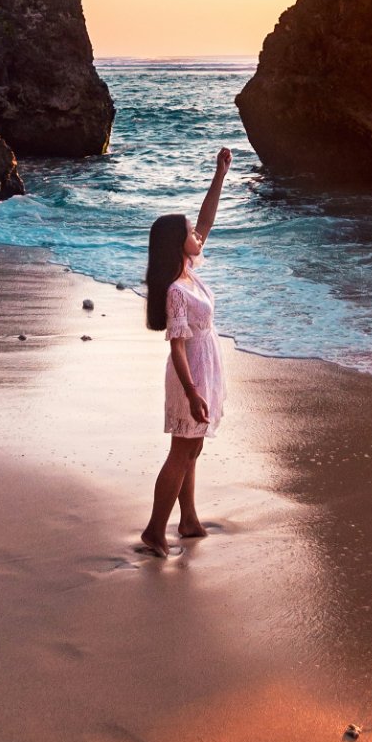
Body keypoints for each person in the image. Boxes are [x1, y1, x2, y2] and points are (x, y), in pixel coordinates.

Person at [139, 146, 232, 557]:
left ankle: (189, 520)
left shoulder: (188, 273)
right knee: (182, 450)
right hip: (188, 373)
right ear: (180, 244)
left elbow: (207, 218)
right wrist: (192, 391)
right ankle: (154, 531)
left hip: (205, 365)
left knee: (194, 446)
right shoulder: (177, 291)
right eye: (192, 233)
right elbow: (177, 347)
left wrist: (220, 175)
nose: (199, 236)